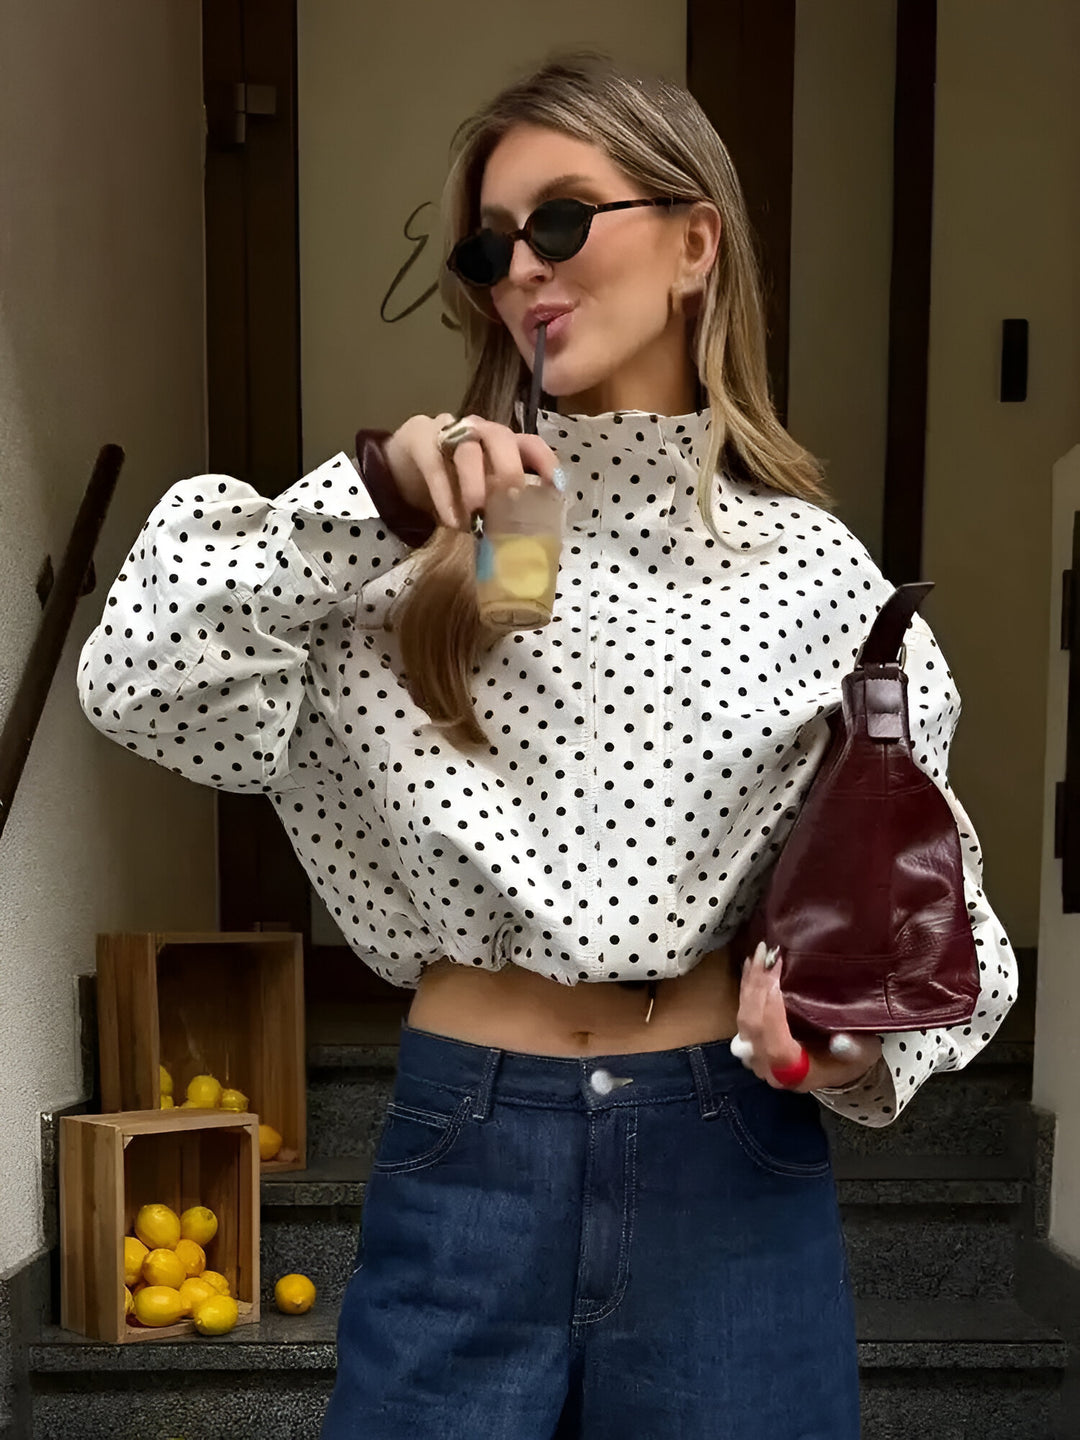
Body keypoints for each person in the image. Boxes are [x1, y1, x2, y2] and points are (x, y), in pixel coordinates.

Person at [78, 51, 1017, 1440]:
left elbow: (947, 923)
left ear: (695, 242)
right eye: (490, 243)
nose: (521, 267)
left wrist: (842, 1050)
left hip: (728, 1154)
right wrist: (375, 496)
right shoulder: (396, 545)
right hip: (468, 1147)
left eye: (563, 219)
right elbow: (140, 681)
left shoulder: (816, 577)